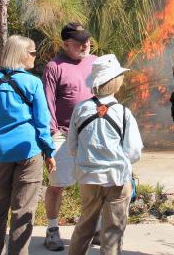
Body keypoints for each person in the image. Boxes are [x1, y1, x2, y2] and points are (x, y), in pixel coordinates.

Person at [0, 35, 56, 255]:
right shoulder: (33, 83)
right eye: (33, 52)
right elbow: (42, 122)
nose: (36, 57)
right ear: (21, 54)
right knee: (23, 210)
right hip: (28, 152)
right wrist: (48, 151)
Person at [67, 54, 143, 255]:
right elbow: (134, 151)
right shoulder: (124, 113)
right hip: (116, 179)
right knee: (112, 232)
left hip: (88, 177)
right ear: (116, 82)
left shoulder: (80, 109)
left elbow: (72, 147)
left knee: (85, 225)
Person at [42, 22, 98, 251]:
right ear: (66, 44)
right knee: (57, 184)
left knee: (94, 183)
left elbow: (104, 95)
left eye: (87, 40)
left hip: (92, 134)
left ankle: (96, 228)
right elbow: (48, 103)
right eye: (79, 42)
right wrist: (51, 134)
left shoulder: (96, 63)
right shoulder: (54, 66)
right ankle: (52, 229)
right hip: (63, 135)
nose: (85, 45)